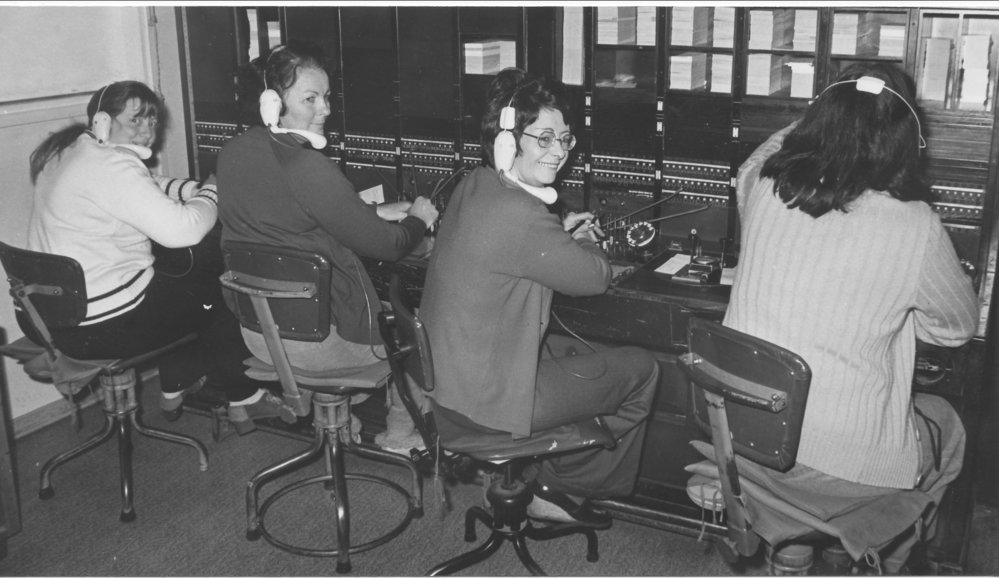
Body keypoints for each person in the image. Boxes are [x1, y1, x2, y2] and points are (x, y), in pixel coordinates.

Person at [722, 62, 979, 571]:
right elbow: (957, 328)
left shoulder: (765, 190)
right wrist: (899, 312)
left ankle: (791, 553)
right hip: (842, 469)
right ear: (907, 139)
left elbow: (756, 159)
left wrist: (826, 114)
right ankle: (879, 554)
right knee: (949, 426)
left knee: (800, 472)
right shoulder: (916, 225)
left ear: (820, 118)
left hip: (746, 442)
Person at [419, 68, 660, 528]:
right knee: (643, 369)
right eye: (543, 139)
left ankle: (542, 475)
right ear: (508, 141)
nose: (558, 153)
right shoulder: (520, 212)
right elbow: (593, 278)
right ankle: (562, 489)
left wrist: (557, 237)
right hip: (488, 403)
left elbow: (518, 246)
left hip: (451, 389)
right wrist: (588, 241)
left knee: (580, 353)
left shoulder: (475, 184)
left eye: (565, 140)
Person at [23, 80, 283, 429]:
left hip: (57, 318)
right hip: (106, 324)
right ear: (102, 121)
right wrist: (214, 189)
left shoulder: (70, 152)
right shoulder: (111, 165)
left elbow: (146, 185)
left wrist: (193, 189)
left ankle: (176, 385)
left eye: (152, 120)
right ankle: (245, 399)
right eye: (136, 121)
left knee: (181, 285)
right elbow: (186, 230)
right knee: (219, 286)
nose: (147, 131)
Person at [216, 42, 439, 437]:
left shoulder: (233, 151)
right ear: (272, 102)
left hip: (260, 334)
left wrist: (369, 213)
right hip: (322, 343)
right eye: (311, 98)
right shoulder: (307, 163)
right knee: (422, 326)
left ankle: (337, 426)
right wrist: (419, 220)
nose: (327, 110)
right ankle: (403, 435)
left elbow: (294, 218)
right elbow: (388, 246)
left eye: (327, 97)